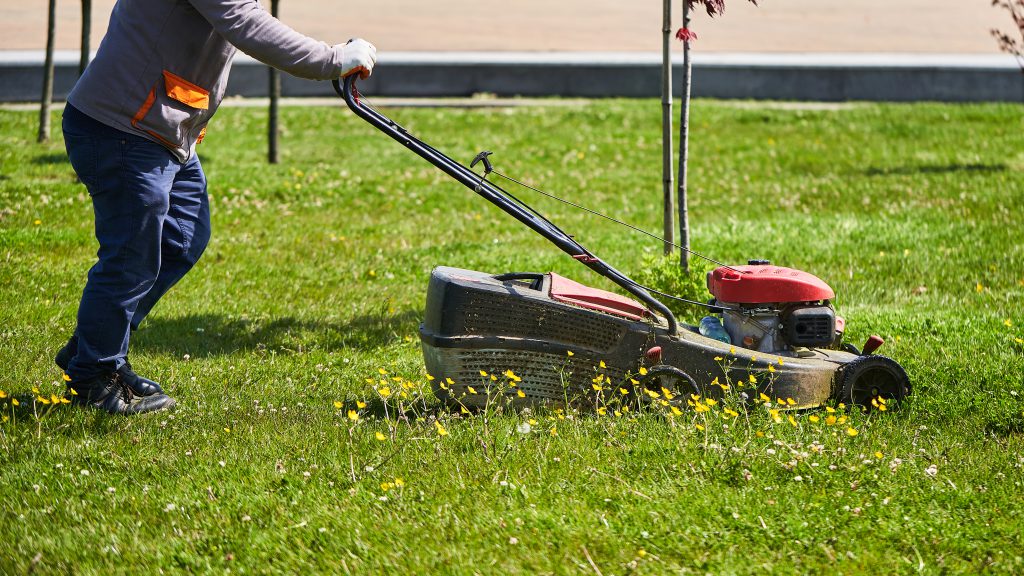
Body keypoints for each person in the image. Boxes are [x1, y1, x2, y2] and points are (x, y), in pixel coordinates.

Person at [59, 0, 376, 414]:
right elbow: (245, 22)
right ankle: (95, 376)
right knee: (130, 259)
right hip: (122, 130)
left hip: (162, 130)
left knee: (183, 237)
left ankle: (93, 348)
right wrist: (332, 59)